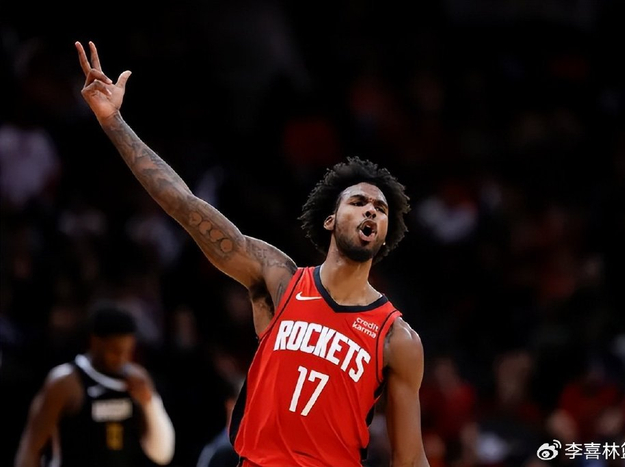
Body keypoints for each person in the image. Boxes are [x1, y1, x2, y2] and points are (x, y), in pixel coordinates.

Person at [75, 40, 429, 467]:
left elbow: (411, 458)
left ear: (385, 235)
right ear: (330, 220)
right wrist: (113, 121)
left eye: (381, 209)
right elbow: (184, 204)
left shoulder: (396, 338)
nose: (371, 210)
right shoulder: (280, 279)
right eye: (358, 202)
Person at [14, 305, 175, 467]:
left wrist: (150, 404)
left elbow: (162, 455)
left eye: (127, 351)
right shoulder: (64, 382)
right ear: (95, 341)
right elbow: (31, 446)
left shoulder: (137, 380)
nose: (121, 358)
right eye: (115, 351)